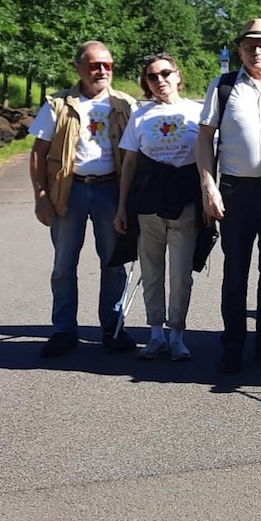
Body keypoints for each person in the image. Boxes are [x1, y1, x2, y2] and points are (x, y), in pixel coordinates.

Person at [197, 18, 261, 374]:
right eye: (249, 45)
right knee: (235, 273)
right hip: (236, 191)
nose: (256, 51)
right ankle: (232, 346)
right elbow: (204, 140)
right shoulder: (223, 86)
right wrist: (208, 186)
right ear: (240, 49)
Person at [29, 41, 138, 357]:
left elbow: (137, 154)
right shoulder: (58, 105)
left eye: (107, 65)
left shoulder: (125, 104)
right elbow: (38, 154)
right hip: (70, 190)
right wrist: (40, 196)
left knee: (114, 263)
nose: (102, 71)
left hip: (111, 191)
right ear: (78, 68)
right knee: (64, 264)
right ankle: (64, 330)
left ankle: (112, 328)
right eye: (94, 65)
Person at [114, 53, 201, 361]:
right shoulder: (140, 115)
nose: (160, 80)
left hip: (185, 203)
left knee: (180, 274)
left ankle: (177, 334)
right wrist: (122, 207)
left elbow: (209, 161)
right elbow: (129, 164)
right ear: (146, 83)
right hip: (148, 204)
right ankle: (155, 334)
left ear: (178, 75)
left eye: (166, 73)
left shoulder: (197, 112)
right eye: (153, 76)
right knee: (151, 272)